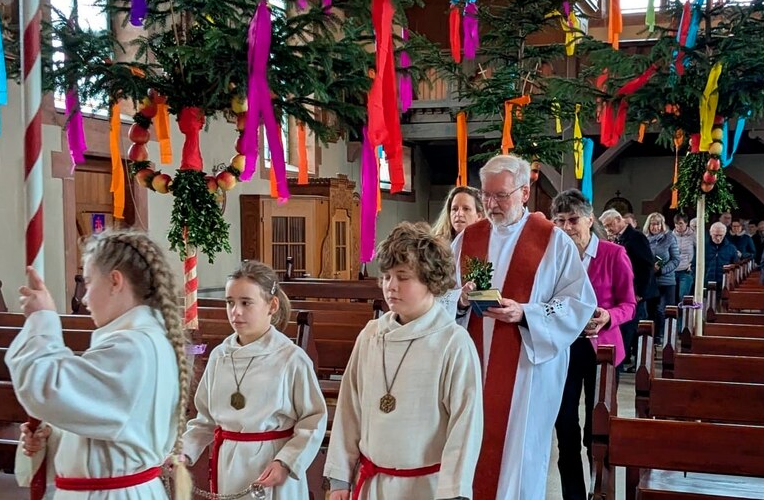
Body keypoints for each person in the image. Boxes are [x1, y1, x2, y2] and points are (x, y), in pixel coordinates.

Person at [452, 155, 595, 500]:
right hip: (473, 363)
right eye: (486, 195)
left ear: (524, 192)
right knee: (471, 450)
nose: (491, 204)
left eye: (501, 195)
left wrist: (527, 314)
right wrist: (459, 300)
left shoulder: (553, 241)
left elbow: (578, 304)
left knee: (520, 454)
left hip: (527, 369)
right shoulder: (468, 239)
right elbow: (439, 292)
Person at [7, 231, 190, 498]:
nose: (84, 297)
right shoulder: (144, 340)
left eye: (89, 282)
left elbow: (44, 386)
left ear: (115, 281)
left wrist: (42, 320)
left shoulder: (133, 349)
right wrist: (53, 435)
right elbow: (112, 433)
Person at [326, 222, 483, 499]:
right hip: (372, 484)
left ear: (431, 280)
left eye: (403, 277)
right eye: (386, 277)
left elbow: (465, 427)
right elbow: (349, 409)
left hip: (427, 487)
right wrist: (340, 477)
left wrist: (454, 492)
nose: (391, 287)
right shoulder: (372, 335)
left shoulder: (452, 342)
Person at [181, 261, 327, 498]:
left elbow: (313, 420)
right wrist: (183, 453)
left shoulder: (291, 359)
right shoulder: (220, 356)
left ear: (272, 305)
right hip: (228, 464)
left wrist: (286, 462)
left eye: (246, 303)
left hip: (271, 469)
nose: (235, 311)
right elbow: (205, 420)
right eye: (230, 302)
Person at [550, 190, 635, 500]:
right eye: (559, 221)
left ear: (590, 219)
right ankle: (573, 495)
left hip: (602, 351)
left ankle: (601, 490)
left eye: (573, 220)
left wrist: (607, 316)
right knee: (566, 428)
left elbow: (629, 304)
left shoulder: (613, 254)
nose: (567, 227)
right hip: (563, 349)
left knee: (597, 431)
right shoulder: (553, 257)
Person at [600, 209, 655, 373]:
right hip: (626, 291)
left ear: (619, 219)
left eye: (610, 225)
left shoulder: (636, 237)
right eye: (606, 227)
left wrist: (640, 293)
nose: (609, 230)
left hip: (636, 292)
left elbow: (647, 265)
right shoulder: (619, 237)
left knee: (631, 329)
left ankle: (627, 363)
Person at [642, 213, 680, 344]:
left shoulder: (669, 238)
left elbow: (675, 260)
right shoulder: (644, 239)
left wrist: (662, 270)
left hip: (667, 280)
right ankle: (653, 338)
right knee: (650, 312)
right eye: (652, 224)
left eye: (658, 224)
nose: (655, 227)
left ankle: (667, 339)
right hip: (650, 281)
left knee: (665, 311)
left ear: (662, 225)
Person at [696, 222, 741, 291]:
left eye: (721, 235)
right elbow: (694, 264)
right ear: (710, 233)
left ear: (725, 234)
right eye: (715, 235)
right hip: (705, 282)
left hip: (724, 284)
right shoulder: (703, 247)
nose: (718, 238)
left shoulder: (731, 248)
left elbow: (735, 266)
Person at [672, 214, 696, 300]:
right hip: (673, 270)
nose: (678, 226)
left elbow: (699, 250)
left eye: (681, 223)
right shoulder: (671, 236)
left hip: (686, 270)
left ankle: (683, 313)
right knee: (672, 297)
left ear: (686, 223)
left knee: (683, 296)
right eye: (676, 223)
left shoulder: (693, 235)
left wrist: (692, 263)